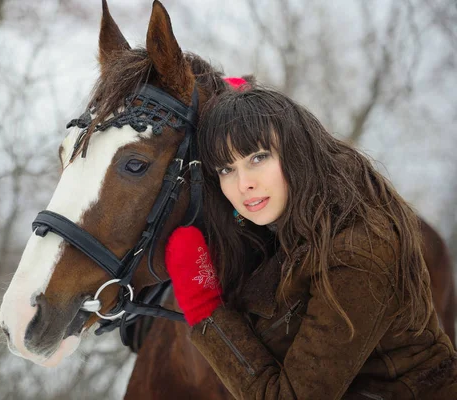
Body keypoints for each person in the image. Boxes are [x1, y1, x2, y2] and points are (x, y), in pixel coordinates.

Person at [164, 80, 457, 399]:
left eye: (258, 157)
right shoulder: (283, 229)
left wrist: (206, 309)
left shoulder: (358, 251)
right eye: (225, 168)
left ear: (296, 151)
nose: (243, 183)